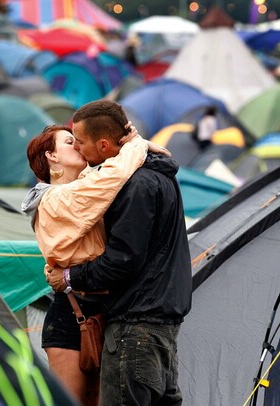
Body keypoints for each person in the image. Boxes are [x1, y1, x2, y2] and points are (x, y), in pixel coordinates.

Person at [47, 100, 192, 405]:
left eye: (82, 143)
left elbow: (121, 260)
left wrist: (70, 276)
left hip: (135, 325)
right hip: (162, 325)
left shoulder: (136, 186)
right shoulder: (161, 175)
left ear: (102, 144)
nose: (80, 151)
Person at [21, 122, 169, 405]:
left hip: (104, 312)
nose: (77, 145)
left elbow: (107, 165)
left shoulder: (83, 184)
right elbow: (112, 177)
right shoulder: (56, 199)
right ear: (51, 157)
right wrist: (137, 145)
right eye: (68, 142)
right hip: (71, 315)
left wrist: (126, 139)